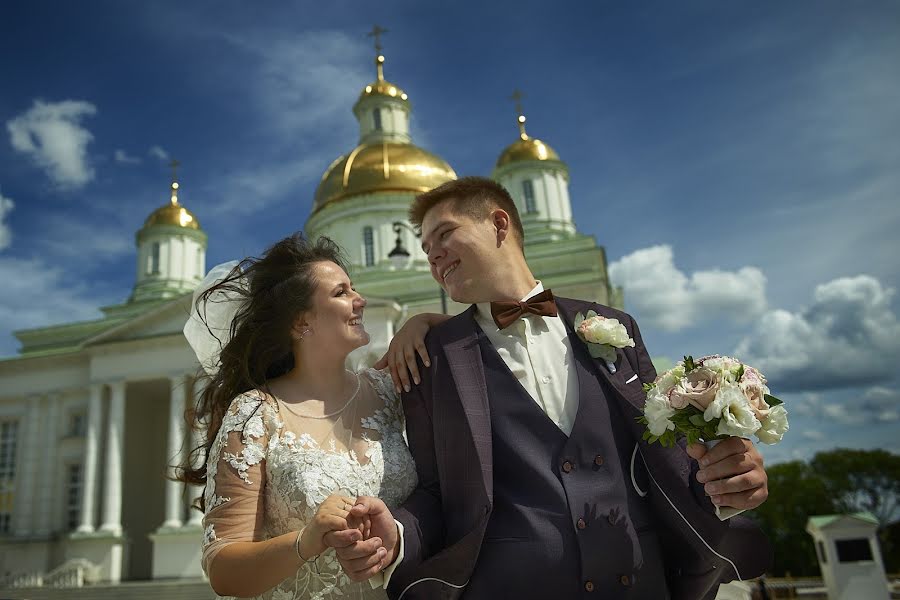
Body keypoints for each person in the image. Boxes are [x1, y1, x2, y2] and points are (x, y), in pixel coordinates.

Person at [327, 177, 774, 600]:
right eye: (425, 249)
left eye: (445, 235)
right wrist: (398, 532)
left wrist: (726, 481)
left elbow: (662, 457)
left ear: (500, 224)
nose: (434, 256)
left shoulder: (614, 328)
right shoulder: (432, 356)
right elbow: (435, 491)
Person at [177, 234, 444, 599]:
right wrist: (306, 540)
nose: (360, 300)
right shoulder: (255, 413)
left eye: (354, 289)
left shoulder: (389, 391)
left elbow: (484, 346)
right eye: (341, 293)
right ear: (302, 323)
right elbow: (223, 570)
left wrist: (425, 322)